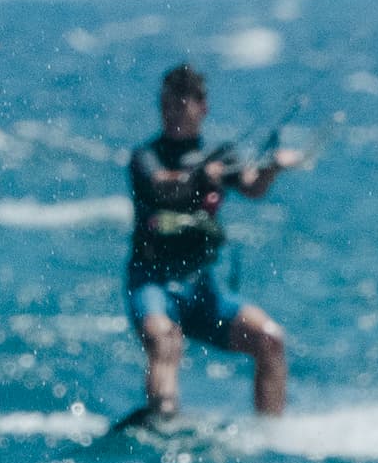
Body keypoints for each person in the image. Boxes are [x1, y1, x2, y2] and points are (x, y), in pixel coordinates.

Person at [119, 61, 308, 425]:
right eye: (165, 106)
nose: (170, 114)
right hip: (153, 283)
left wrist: (273, 166)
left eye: (179, 106)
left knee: (270, 339)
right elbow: (164, 186)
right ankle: (165, 423)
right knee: (164, 339)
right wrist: (202, 177)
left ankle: (270, 434)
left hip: (203, 289)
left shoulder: (221, 157)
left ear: (201, 107)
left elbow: (251, 185)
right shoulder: (146, 157)